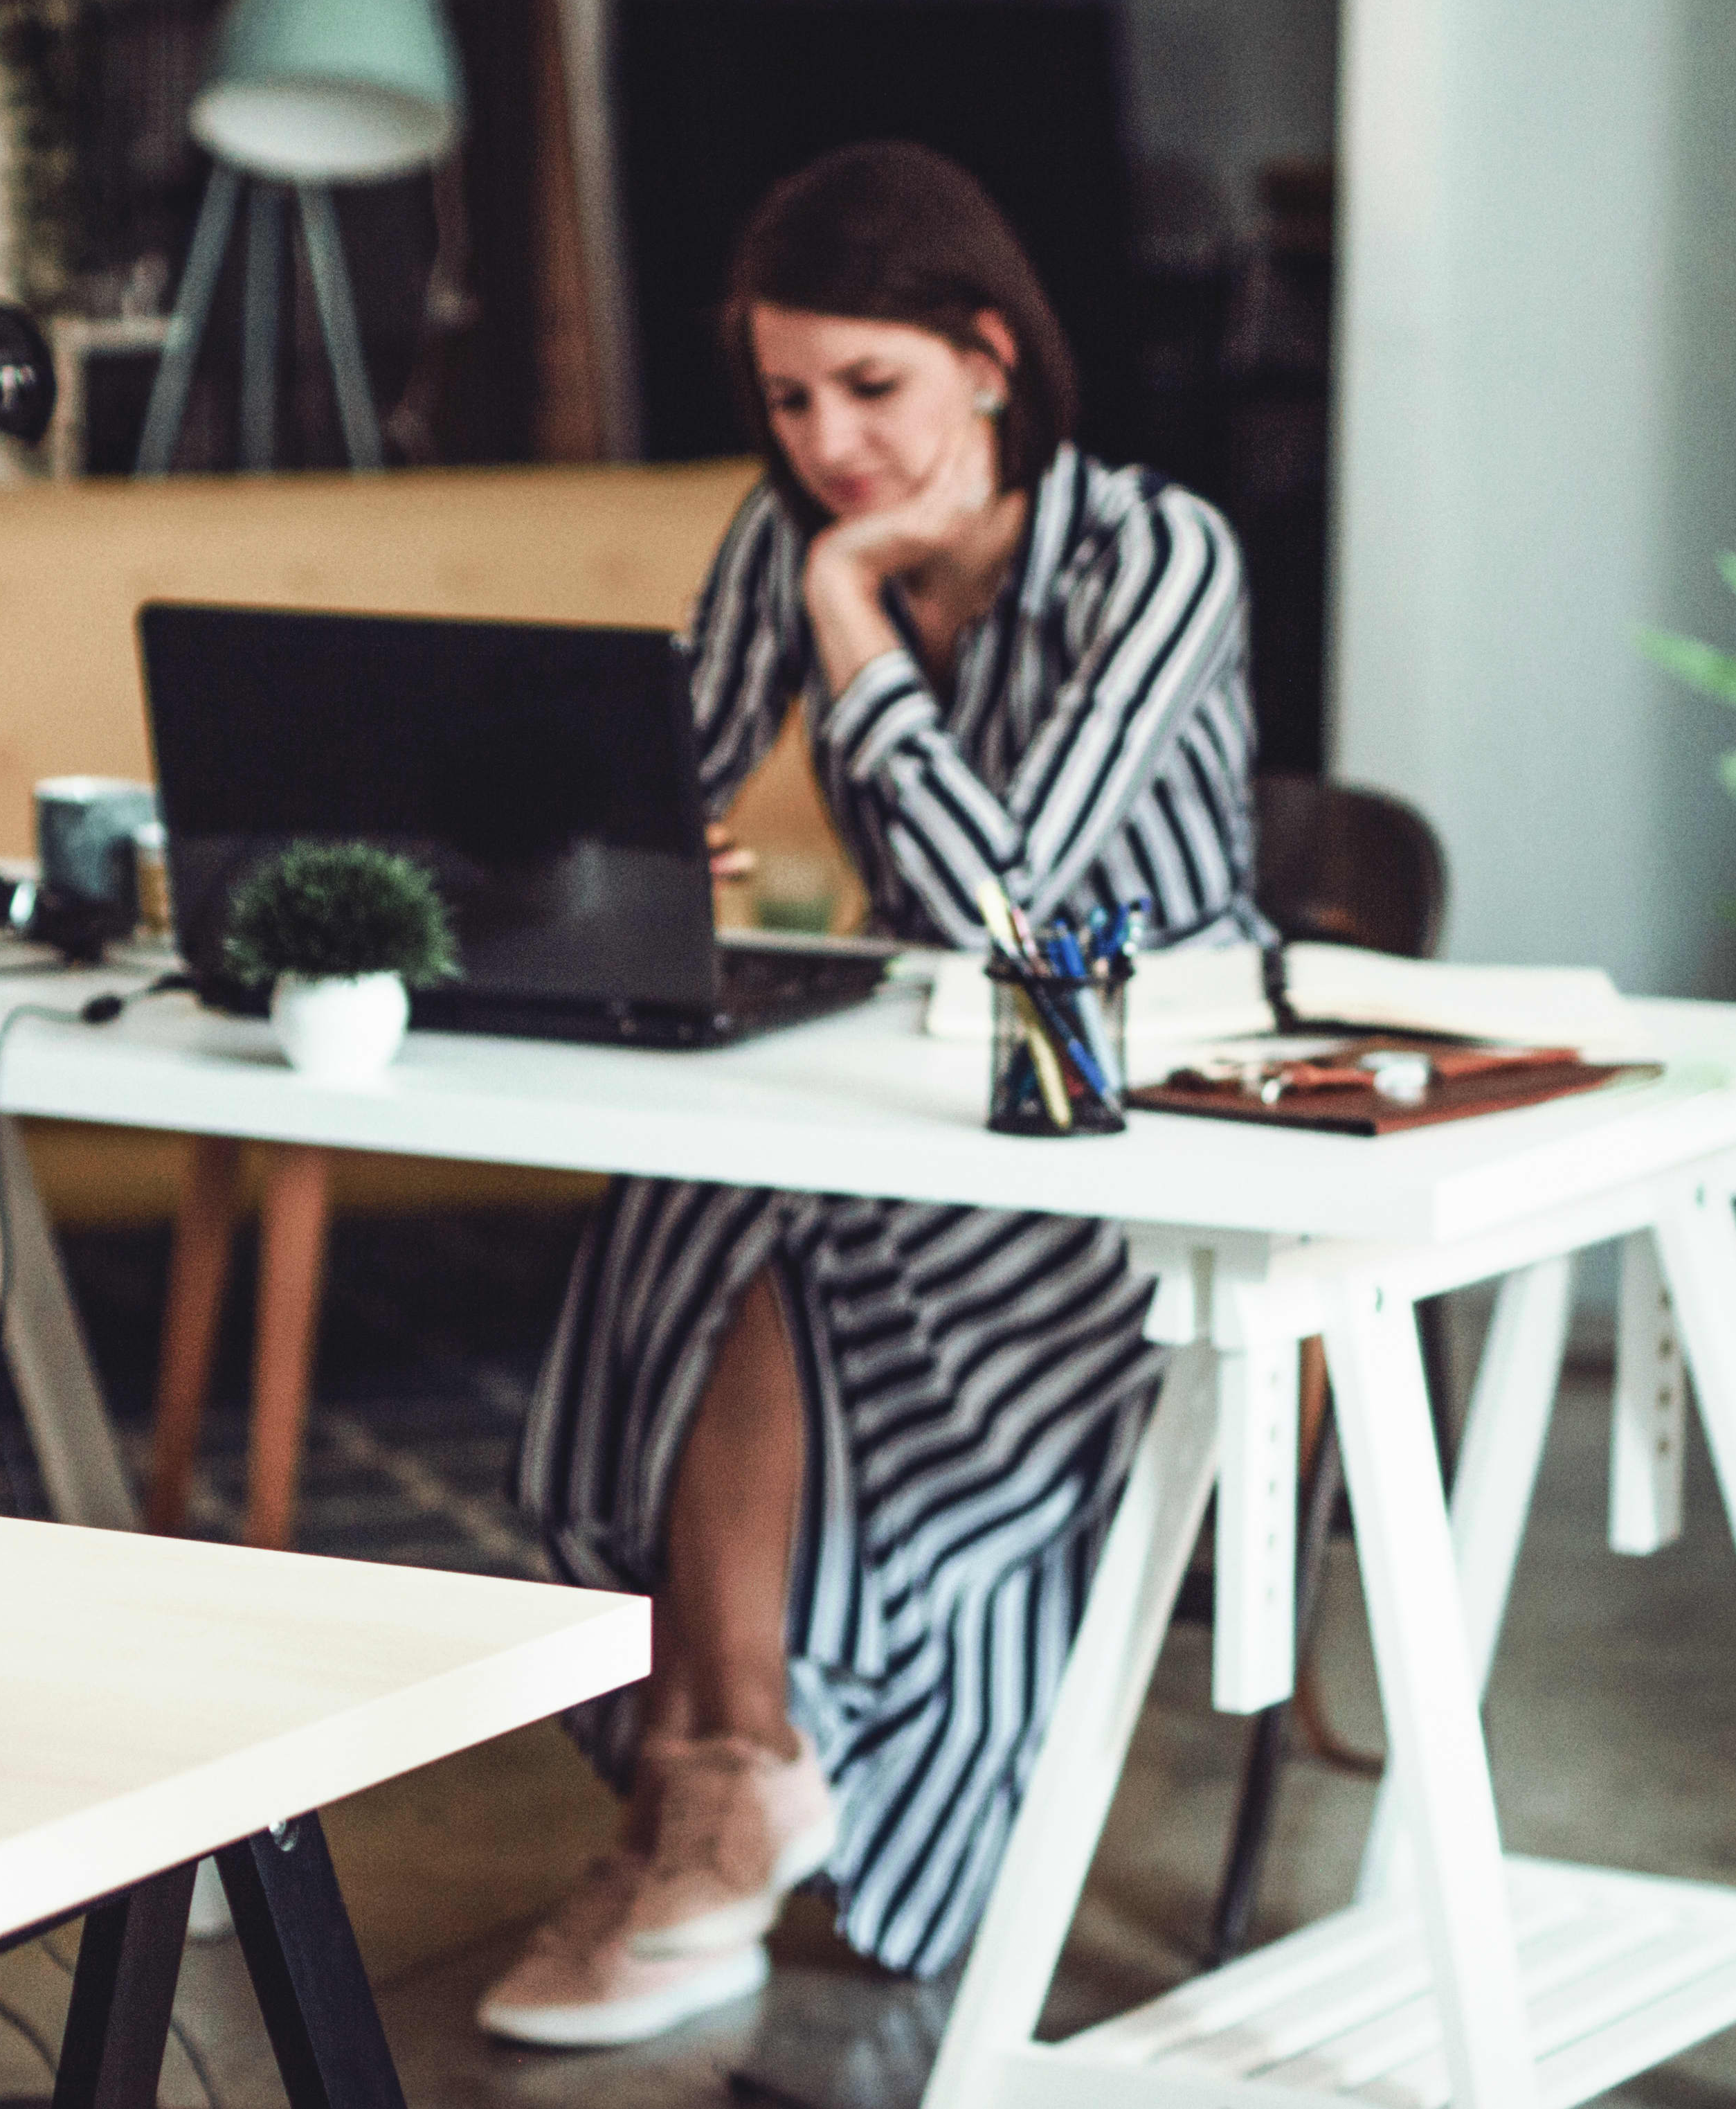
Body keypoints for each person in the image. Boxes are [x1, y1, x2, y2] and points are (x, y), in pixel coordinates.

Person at [477, 143, 1270, 2047]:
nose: (826, 443)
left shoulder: (1151, 552)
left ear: (989, 358)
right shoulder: (777, 531)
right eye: (785, 399)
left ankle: (723, 1793)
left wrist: (848, 616)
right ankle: (721, 1763)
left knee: (763, 1217)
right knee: (689, 1194)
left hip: (1134, 1106)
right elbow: (643, 793)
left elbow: (1016, 907)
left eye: (869, 389)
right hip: (912, 1088)